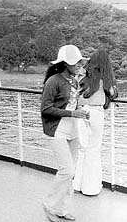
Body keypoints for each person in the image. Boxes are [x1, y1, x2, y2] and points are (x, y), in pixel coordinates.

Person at [40, 44, 89, 222]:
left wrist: (81, 110)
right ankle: (49, 204)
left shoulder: (74, 81)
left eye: (80, 62)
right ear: (64, 63)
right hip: (58, 129)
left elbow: (71, 104)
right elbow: (46, 109)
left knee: (72, 172)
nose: (78, 65)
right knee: (66, 170)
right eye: (75, 62)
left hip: (73, 128)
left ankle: (62, 208)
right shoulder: (53, 81)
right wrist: (72, 113)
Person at [73, 50, 118, 196]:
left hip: (81, 111)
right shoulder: (105, 78)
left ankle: (77, 184)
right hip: (95, 113)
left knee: (82, 149)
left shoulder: (84, 77)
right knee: (93, 149)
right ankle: (90, 188)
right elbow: (112, 92)